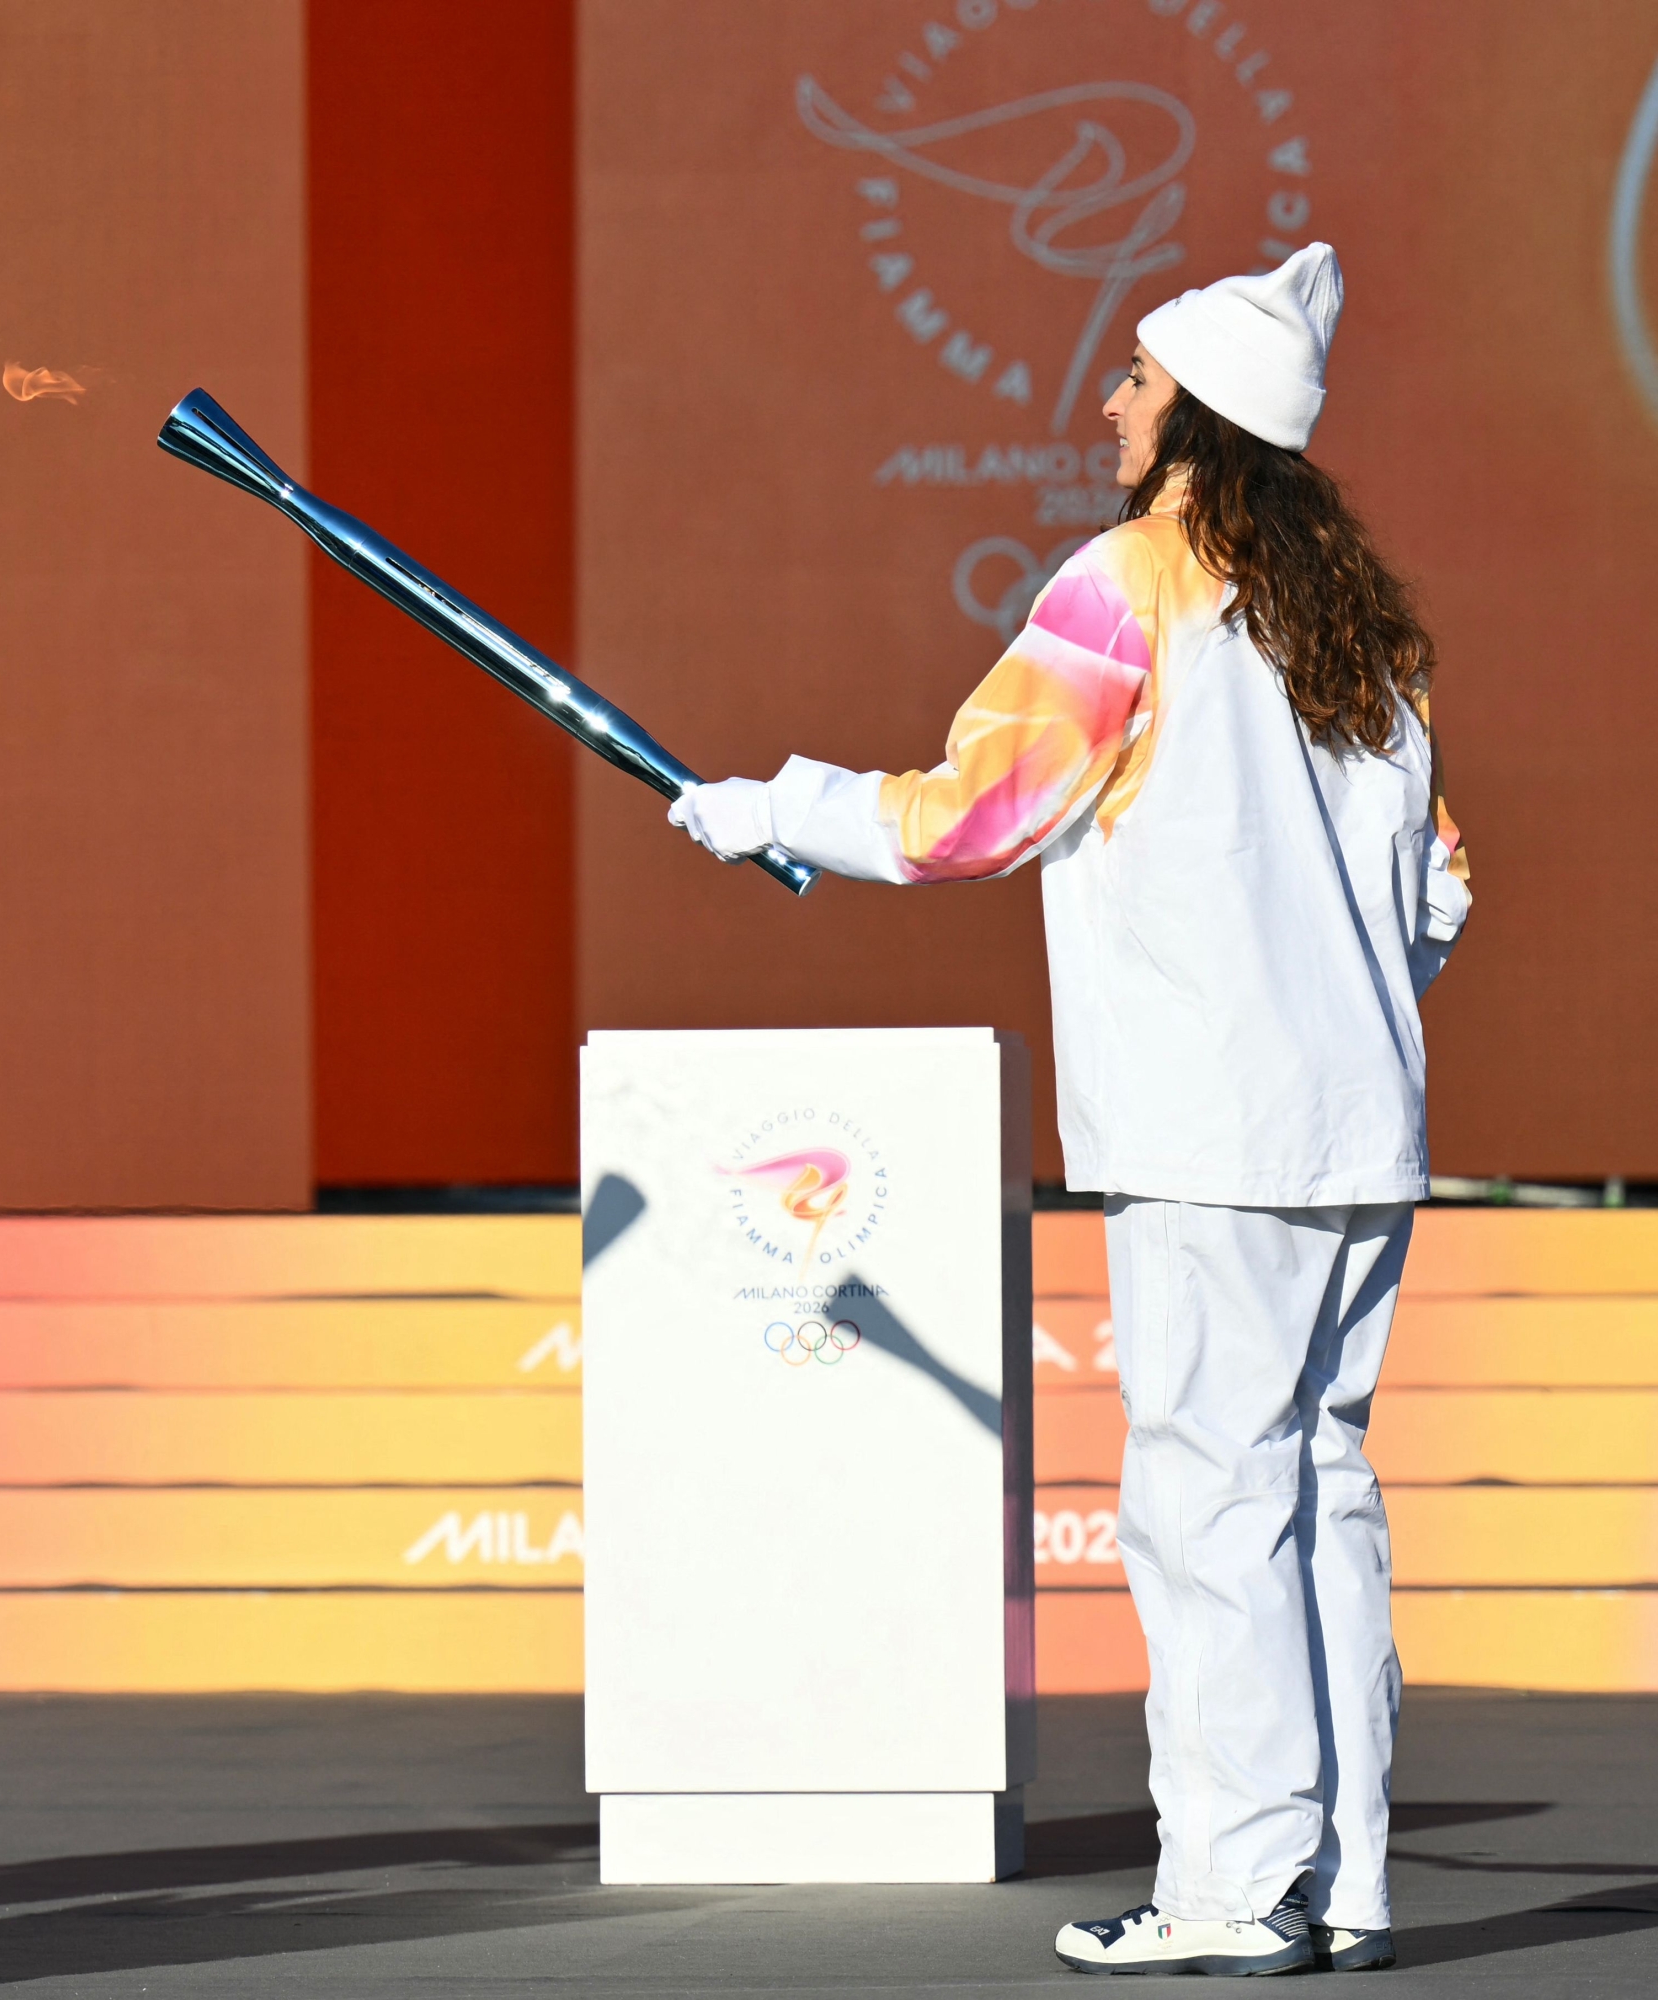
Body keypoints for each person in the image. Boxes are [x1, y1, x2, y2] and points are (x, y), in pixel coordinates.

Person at [671, 244, 1466, 1978]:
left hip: (1209, 1128)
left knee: (1208, 1501)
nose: (1107, 401)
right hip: (1355, 1132)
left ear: (1196, 416)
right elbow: (1443, 894)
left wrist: (773, 808)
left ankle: (1231, 1891)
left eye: (1132, 377)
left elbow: (977, 810)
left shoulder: (1131, 584)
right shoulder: (1355, 627)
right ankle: (1336, 1882)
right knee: (1315, 1483)